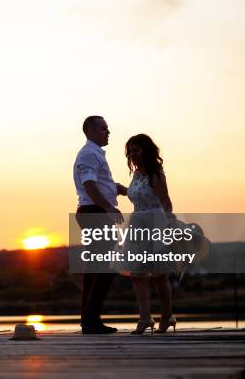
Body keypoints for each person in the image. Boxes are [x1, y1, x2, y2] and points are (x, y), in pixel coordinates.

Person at [73, 116, 127, 334]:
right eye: (104, 128)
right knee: (105, 266)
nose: (108, 132)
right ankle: (91, 320)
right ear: (92, 130)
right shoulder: (89, 153)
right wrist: (108, 208)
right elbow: (89, 185)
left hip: (92, 211)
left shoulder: (93, 154)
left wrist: (116, 188)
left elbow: (97, 183)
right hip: (95, 212)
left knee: (96, 267)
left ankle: (89, 320)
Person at [119, 134, 177, 334]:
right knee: (137, 274)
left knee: (159, 276)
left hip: (155, 224)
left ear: (147, 151)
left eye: (137, 150)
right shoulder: (136, 175)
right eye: (130, 151)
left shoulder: (156, 175)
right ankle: (145, 318)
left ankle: (167, 315)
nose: (133, 155)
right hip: (137, 224)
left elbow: (165, 201)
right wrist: (123, 190)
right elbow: (139, 195)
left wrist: (169, 226)